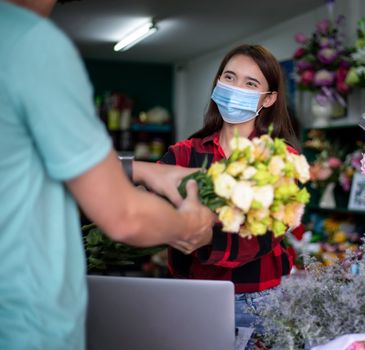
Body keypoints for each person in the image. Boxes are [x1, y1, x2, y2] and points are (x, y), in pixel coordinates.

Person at [0, 1, 216, 349]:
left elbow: (34, 156)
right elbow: (124, 216)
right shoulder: (32, 44)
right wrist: (189, 224)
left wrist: (143, 169)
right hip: (22, 324)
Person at [158, 44, 300, 343]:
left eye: (251, 83)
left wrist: (206, 236)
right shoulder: (183, 153)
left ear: (270, 98)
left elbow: (260, 239)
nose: (236, 88)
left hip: (258, 303)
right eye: (229, 77)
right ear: (217, 83)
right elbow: (149, 208)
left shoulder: (281, 160)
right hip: (192, 297)